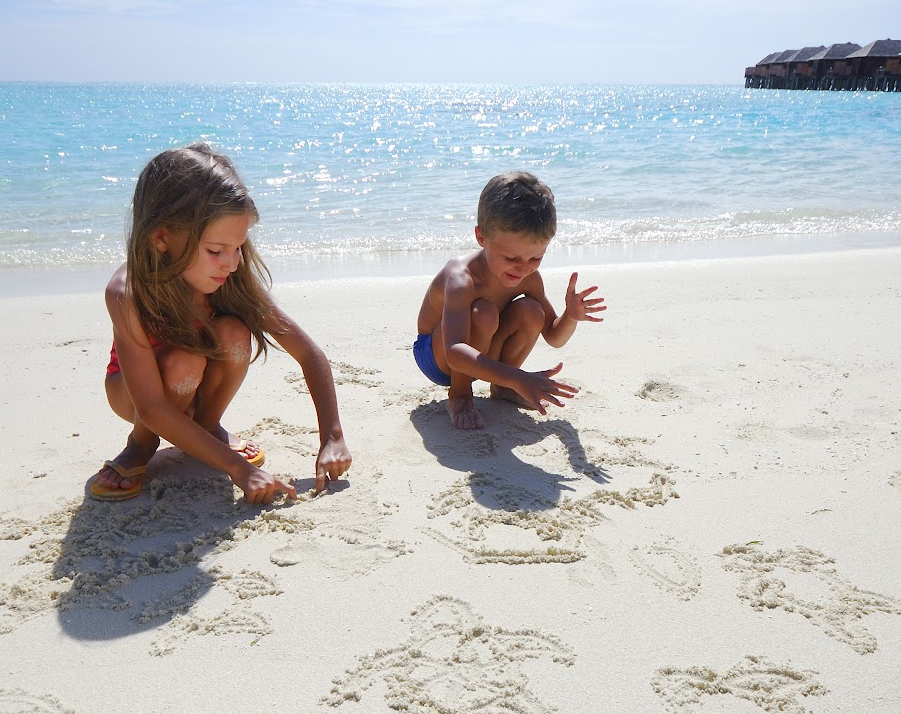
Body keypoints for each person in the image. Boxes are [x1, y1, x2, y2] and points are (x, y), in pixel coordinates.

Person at [89, 143, 350, 504]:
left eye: (238, 247)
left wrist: (332, 436)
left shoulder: (231, 277)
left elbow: (308, 353)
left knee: (234, 333)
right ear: (162, 238)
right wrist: (239, 468)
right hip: (134, 396)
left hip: (195, 387)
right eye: (216, 250)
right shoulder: (127, 293)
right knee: (185, 361)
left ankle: (207, 425)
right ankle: (141, 443)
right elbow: (150, 405)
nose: (232, 264)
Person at [414, 171, 606, 430]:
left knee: (532, 311)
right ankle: (460, 396)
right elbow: (455, 352)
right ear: (482, 238)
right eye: (511, 258)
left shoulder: (530, 278)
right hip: (438, 358)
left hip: (479, 348)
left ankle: (502, 387)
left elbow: (554, 337)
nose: (523, 268)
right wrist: (520, 378)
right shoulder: (461, 279)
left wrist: (570, 316)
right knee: (483, 312)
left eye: (535, 258)